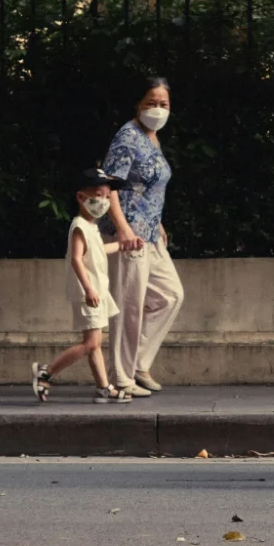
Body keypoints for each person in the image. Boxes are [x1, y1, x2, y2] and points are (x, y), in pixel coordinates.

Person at [100, 76, 184, 398]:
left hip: (150, 233)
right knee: (129, 306)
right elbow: (110, 186)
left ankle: (137, 363)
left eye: (164, 104)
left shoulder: (153, 138)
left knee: (171, 295)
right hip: (129, 235)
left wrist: (158, 222)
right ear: (138, 103)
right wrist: (123, 229)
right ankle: (121, 379)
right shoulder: (127, 137)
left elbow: (150, 188)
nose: (158, 109)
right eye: (152, 102)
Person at [30, 168, 134, 404]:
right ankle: (46, 373)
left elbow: (96, 252)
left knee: (95, 344)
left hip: (96, 292)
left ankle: (103, 388)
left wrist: (121, 245)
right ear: (81, 197)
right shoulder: (79, 226)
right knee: (90, 343)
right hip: (90, 293)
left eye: (108, 197)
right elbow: (77, 259)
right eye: (99, 195)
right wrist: (89, 289)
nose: (105, 202)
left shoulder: (91, 227)